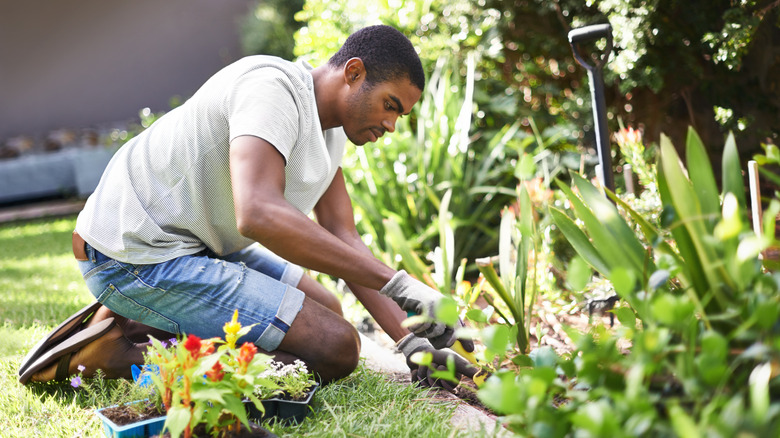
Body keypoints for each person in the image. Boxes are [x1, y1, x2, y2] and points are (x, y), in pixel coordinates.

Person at [18, 25, 476, 388]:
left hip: (197, 246)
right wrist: (400, 284)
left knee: (327, 308)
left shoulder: (331, 131)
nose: (391, 124)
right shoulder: (271, 89)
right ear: (353, 72)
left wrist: (412, 341)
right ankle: (121, 355)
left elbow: (343, 235)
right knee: (336, 347)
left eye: (400, 114)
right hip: (134, 255)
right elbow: (257, 212)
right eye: (389, 105)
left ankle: (137, 322)